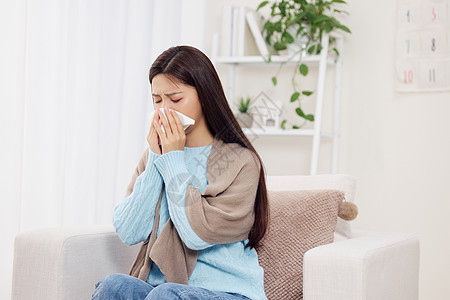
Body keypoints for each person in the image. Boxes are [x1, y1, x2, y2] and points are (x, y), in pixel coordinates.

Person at [92, 45, 269, 300]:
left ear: (205, 96)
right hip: (162, 291)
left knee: (166, 295)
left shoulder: (240, 161)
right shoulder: (153, 155)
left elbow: (195, 235)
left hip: (228, 292)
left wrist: (173, 158)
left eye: (175, 99)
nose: (164, 110)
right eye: (157, 101)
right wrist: (157, 156)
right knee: (114, 286)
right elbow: (130, 231)